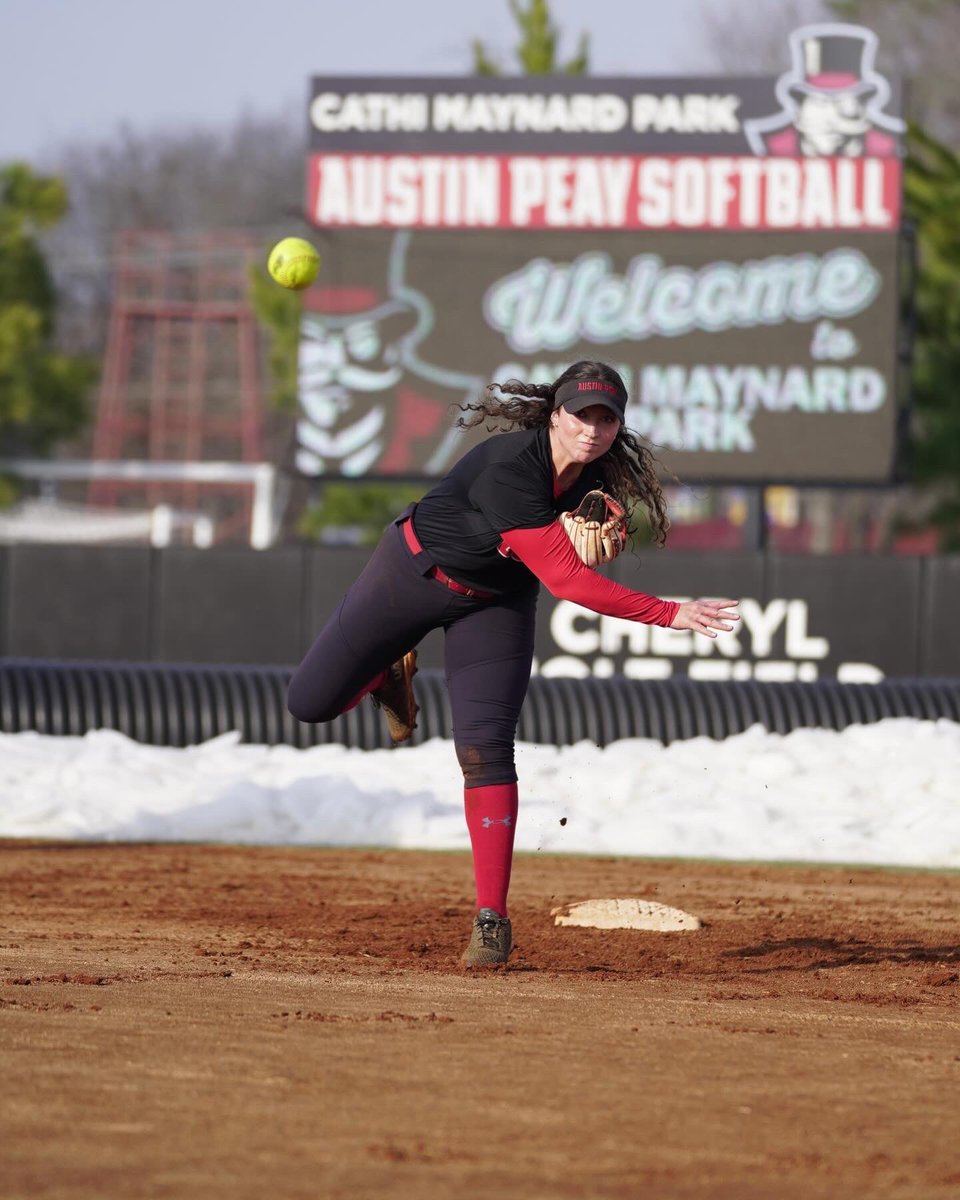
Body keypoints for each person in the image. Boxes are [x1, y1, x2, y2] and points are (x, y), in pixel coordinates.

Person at [287, 360, 739, 967]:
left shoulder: (593, 480)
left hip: (496, 602)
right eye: (581, 414)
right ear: (554, 415)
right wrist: (671, 613)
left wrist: (595, 535)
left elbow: (574, 549)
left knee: (486, 749)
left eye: (607, 419)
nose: (593, 429)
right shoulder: (510, 468)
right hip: (414, 573)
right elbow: (568, 583)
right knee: (310, 704)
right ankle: (387, 671)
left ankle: (490, 919)